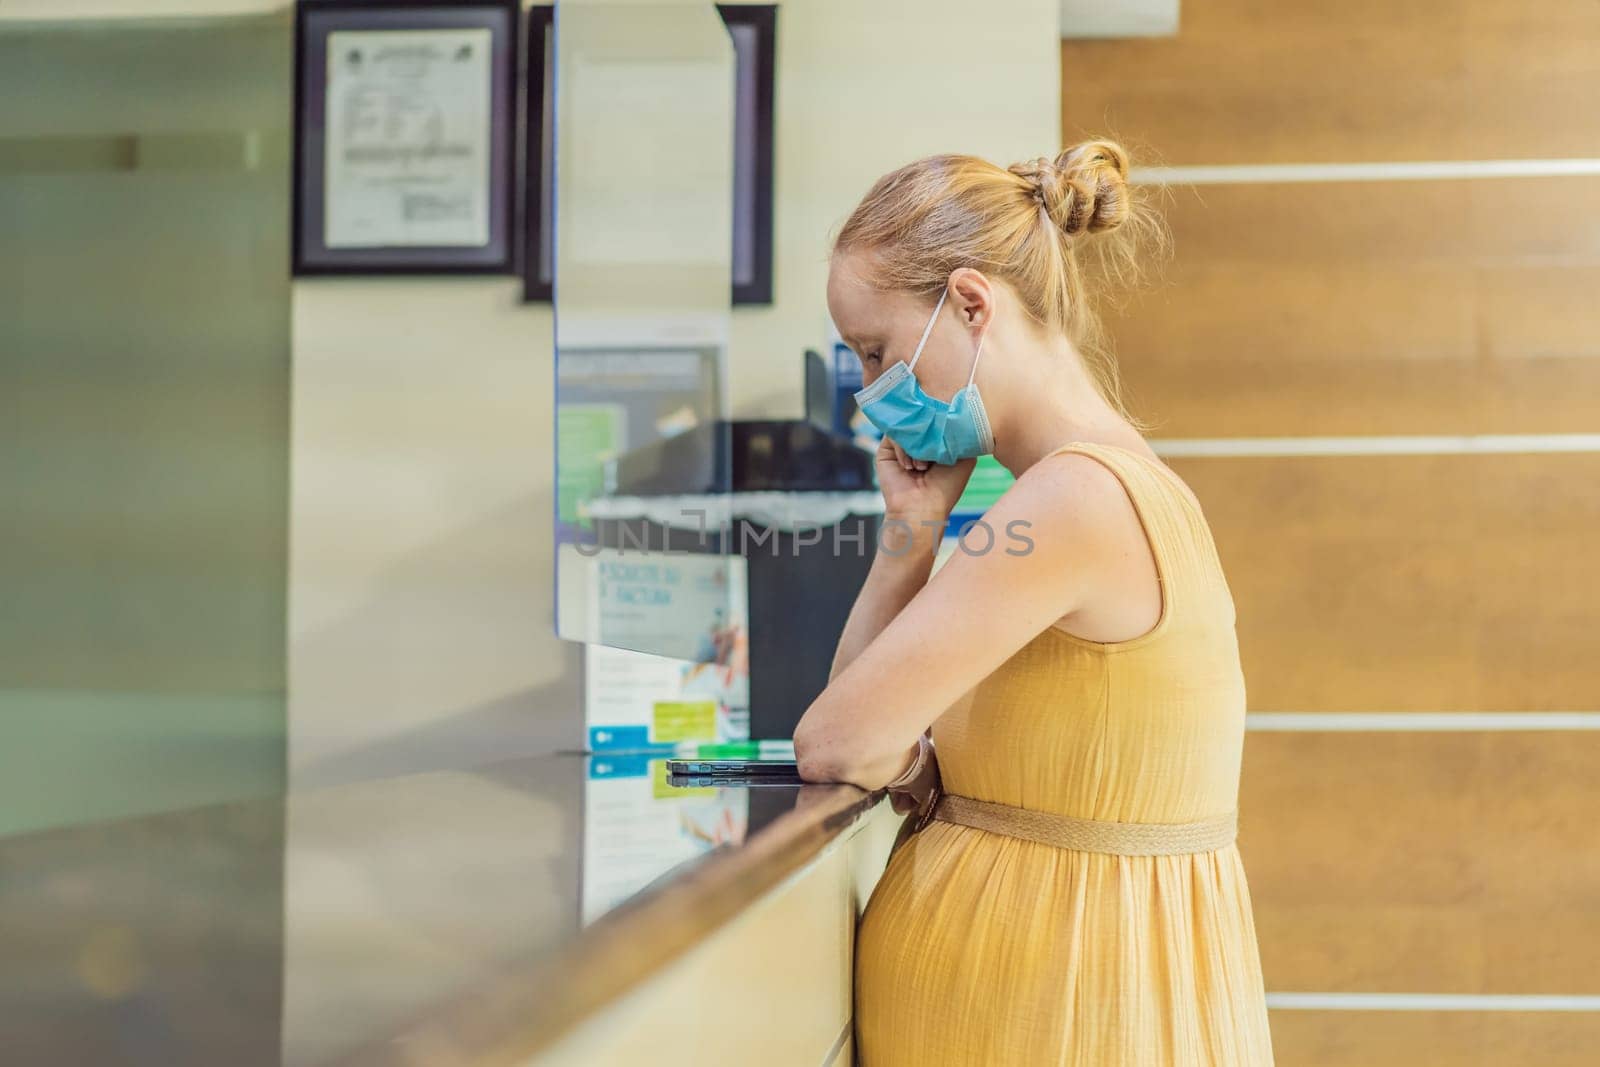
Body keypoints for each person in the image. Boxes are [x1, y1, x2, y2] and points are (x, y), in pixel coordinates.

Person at [792, 141, 1275, 1065]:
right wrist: (914, 530)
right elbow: (864, 736)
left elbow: (836, 744)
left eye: (877, 350)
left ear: (971, 304)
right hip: (1061, 989)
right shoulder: (1110, 485)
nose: (868, 395)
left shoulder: (1071, 500)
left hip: (1049, 1007)